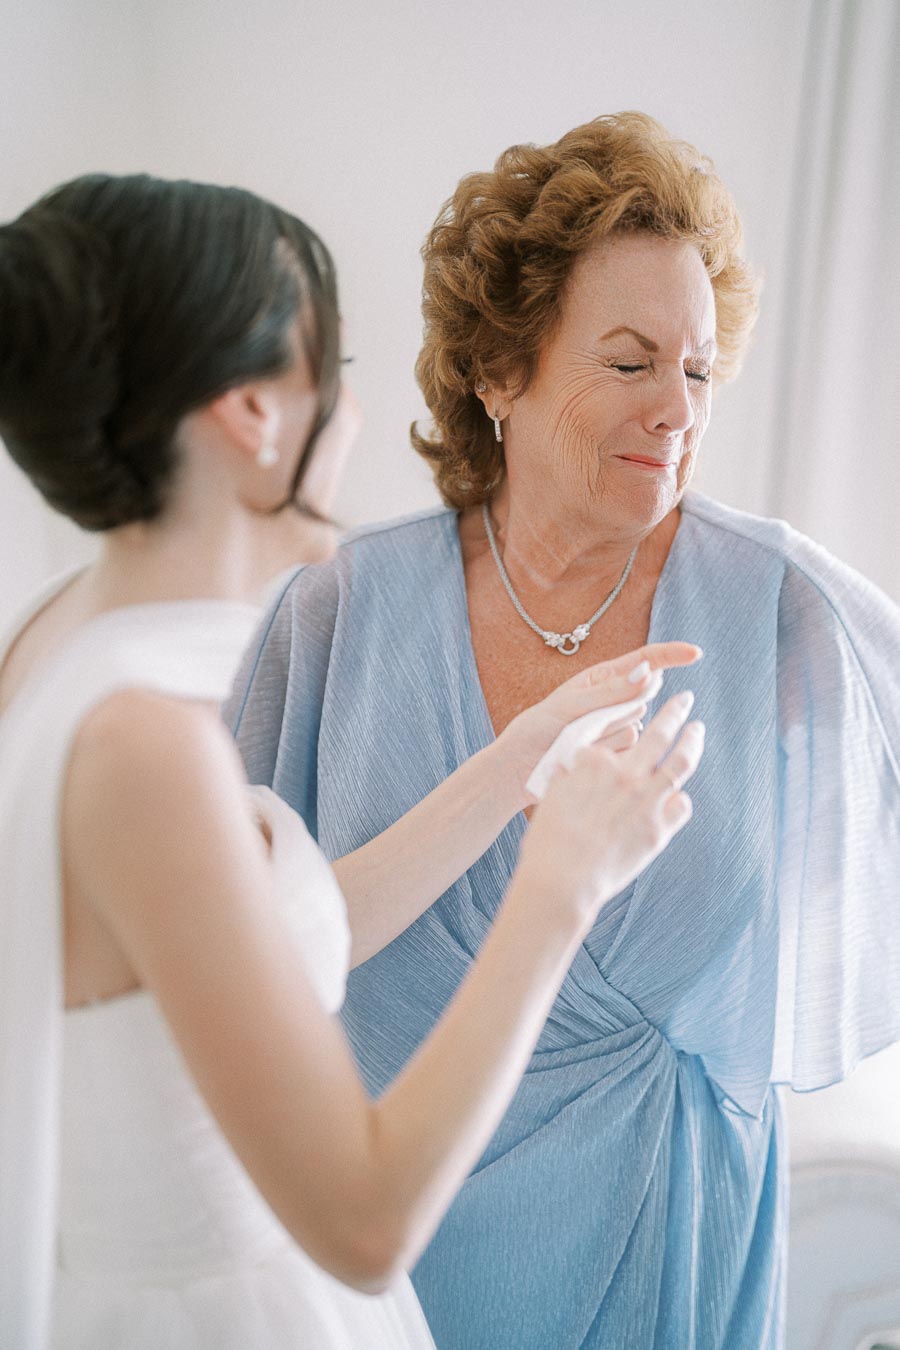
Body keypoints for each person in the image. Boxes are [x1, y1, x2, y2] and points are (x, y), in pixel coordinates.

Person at [228, 112, 900, 1349]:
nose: (675, 410)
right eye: (631, 360)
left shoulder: (781, 608)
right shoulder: (336, 617)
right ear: (499, 371)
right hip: (389, 1256)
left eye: (696, 371)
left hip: (677, 1243)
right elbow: (232, 967)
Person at [0, 173, 705, 1350]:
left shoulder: (63, 641)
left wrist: (514, 761)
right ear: (251, 413)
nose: (358, 416)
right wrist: (562, 886)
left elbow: (250, 938)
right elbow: (366, 1219)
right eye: (330, 369)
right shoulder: (144, 745)